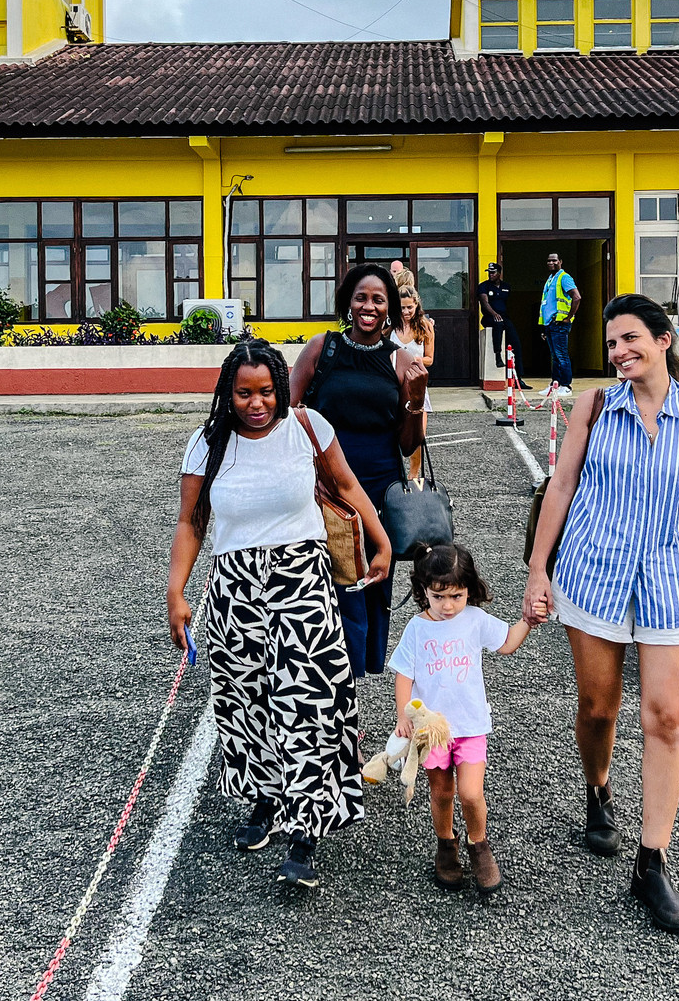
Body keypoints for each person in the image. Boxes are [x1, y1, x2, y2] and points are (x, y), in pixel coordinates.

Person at [522, 293, 679, 934]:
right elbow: (560, 485)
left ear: (664, 340)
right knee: (598, 708)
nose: (618, 352)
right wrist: (538, 570)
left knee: (668, 717)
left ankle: (652, 861)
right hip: (593, 573)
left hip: (672, 577)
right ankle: (598, 789)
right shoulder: (593, 406)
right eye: (612, 342)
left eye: (630, 338)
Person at [166, 339, 394, 888]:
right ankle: (266, 802)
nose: (257, 403)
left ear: (280, 388)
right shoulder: (207, 444)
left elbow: (345, 486)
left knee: (311, 708)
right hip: (234, 589)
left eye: (266, 391)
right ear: (227, 392)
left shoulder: (309, 428)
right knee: (247, 707)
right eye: (244, 393)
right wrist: (176, 592)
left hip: (302, 585)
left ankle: (305, 833)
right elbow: (191, 522)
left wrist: (382, 539)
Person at [292, 263, 429, 679]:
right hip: (322, 488)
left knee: (368, 582)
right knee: (320, 584)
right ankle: (320, 677)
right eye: (361, 298)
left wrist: (416, 399)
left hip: (377, 487)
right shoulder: (323, 348)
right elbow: (288, 416)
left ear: (391, 310)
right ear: (348, 303)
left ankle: (347, 689)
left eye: (378, 300)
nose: (369, 307)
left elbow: (408, 445)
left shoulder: (402, 359)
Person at [389, 542, 532, 896]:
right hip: (432, 732)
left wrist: (528, 620)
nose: (448, 606)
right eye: (438, 597)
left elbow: (507, 643)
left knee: (470, 793)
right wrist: (403, 715)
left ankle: (479, 845)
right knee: (441, 793)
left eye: (457, 595)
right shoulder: (417, 629)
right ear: (423, 591)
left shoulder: (475, 620)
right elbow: (403, 674)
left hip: (470, 727)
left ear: (470, 590)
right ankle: (445, 845)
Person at [391, 281, 435, 480]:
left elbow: (430, 359)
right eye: (402, 307)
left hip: (417, 386)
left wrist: (413, 359)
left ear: (417, 304)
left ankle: (413, 474)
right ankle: (394, 471)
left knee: (417, 434)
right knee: (393, 431)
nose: (406, 311)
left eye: (410, 306)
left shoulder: (425, 326)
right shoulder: (391, 325)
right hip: (393, 386)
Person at [538, 251, 582, 396]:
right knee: (555, 356)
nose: (551, 263)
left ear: (560, 261)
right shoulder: (551, 279)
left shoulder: (564, 278)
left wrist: (568, 317)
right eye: (549, 261)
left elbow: (577, 297)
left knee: (561, 355)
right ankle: (554, 384)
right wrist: (544, 327)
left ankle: (566, 385)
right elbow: (546, 305)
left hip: (560, 323)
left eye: (554, 261)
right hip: (550, 324)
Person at [476, 262, 526, 387]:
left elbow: (510, 304)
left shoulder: (506, 287)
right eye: (489, 272)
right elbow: (485, 303)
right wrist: (494, 314)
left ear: (499, 273)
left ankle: (518, 378)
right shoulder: (483, 286)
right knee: (497, 325)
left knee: (516, 343)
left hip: (504, 318)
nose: (490, 275)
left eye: (493, 272)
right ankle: (498, 355)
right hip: (489, 317)